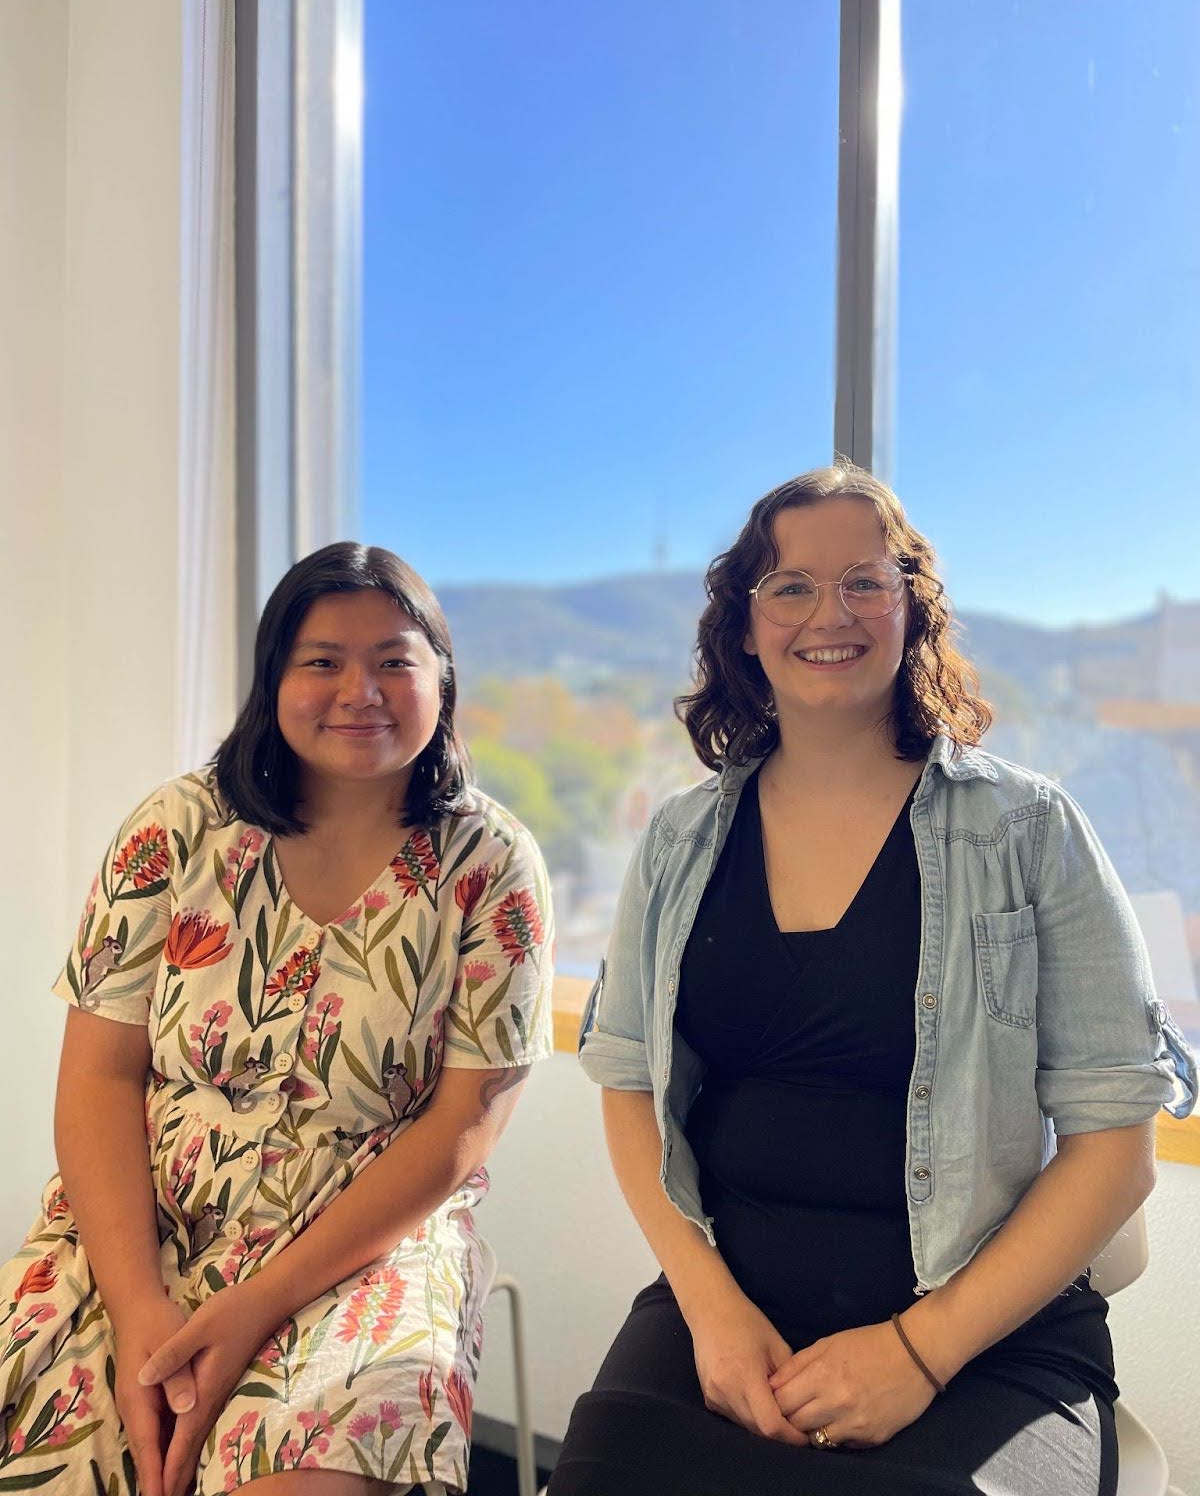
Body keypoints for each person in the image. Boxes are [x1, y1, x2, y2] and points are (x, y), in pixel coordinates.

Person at [551, 464, 1196, 1496]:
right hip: (731, 1307)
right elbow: (629, 1084)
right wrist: (710, 1310)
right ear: (746, 624)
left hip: (987, 1333)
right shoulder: (678, 840)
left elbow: (1116, 1149)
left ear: (911, 606)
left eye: (864, 581)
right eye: (791, 585)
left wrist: (919, 1349)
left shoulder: (1030, 831)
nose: (829, 613)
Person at [0, 543, 555, 1496]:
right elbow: (98, 1078)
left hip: (368, 1239)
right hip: (150, 1227)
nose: (360, 690)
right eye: (322, 660)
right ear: (273, 680)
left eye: (394, 660)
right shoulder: (173, 830)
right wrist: (142, 1319)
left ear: (442, 679)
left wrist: (257, 1305)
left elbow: (463, 1124)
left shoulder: (491, 864)